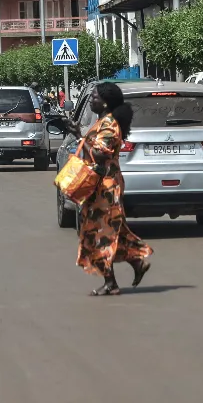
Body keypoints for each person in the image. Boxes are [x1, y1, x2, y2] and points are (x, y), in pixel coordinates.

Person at [68, 82, 152, 295]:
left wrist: (79, 137)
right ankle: (137, 262)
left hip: (106, 187)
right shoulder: (103, 121)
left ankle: (111, 283)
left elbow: (99, 154)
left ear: (105, 102)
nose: (91, 100)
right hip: (99, 186)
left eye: (94, 97)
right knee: (112, 230)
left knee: (101, 233)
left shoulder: (109, 125)